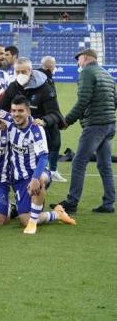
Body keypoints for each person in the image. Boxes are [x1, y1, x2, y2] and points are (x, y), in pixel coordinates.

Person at [53, 48, 117, 214]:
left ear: (86, 58)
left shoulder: (87, 73)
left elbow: (83, 101)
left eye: (79, 59)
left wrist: (67, 120)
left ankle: (72, 202)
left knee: (79, 162)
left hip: (95, 125)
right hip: (109, 124)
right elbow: (114, 100)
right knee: (105, 165)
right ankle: (109, 203)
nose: (77, 63)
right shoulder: (106, 74)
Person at [5, 96, 76, 234]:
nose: (16, 114)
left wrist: (34, 178)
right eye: (13, 110)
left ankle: (33, 224)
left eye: (20, 111)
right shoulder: (9, 122)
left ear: (28, 112)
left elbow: (43, 157)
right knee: (23, 219)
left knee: (41, 179)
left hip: (37, 173)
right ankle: (57, 214)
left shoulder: (36, 130)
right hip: (19, 179)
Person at [0, 58, 65, 183]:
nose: (20, 75)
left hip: (38, 135)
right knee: (13, 170)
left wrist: (43, 120)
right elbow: (1, 108)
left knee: (38, 175)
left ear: (30, 71)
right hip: (17, 136)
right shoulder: (13, 86)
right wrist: (1, 119)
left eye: (23, 71)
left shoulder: (45, 88)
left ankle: (37, 197)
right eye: (17, 72)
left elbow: (55, 114)